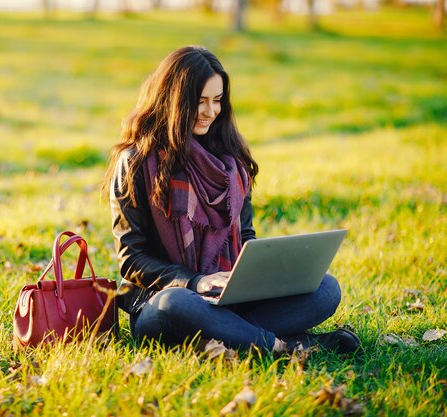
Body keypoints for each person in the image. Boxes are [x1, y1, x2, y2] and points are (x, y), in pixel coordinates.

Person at [103, 46, 360, 354]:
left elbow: (246, 237)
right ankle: (282, 344)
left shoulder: (230, 163)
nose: (211, 111)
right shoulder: (134, 163)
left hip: (230, 299)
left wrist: (252, 277)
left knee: (326, 289)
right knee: (178, 303)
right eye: (199, 101)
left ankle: (237, 335)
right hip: (166, 302)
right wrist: (195, 281)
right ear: (173, 100)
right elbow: (131, 259)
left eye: (217, 100)